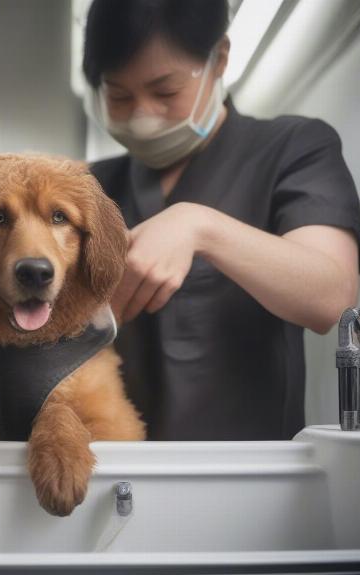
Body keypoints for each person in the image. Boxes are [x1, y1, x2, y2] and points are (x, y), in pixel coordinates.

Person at [82, 0, 360, 440]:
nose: (142, 117)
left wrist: (200, 227)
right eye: (119, 96)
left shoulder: (294, 148)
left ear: (220, 59)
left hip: (248, 474)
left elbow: (334, 297)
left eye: (166, 92)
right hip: (110, 468)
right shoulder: (90, 187)